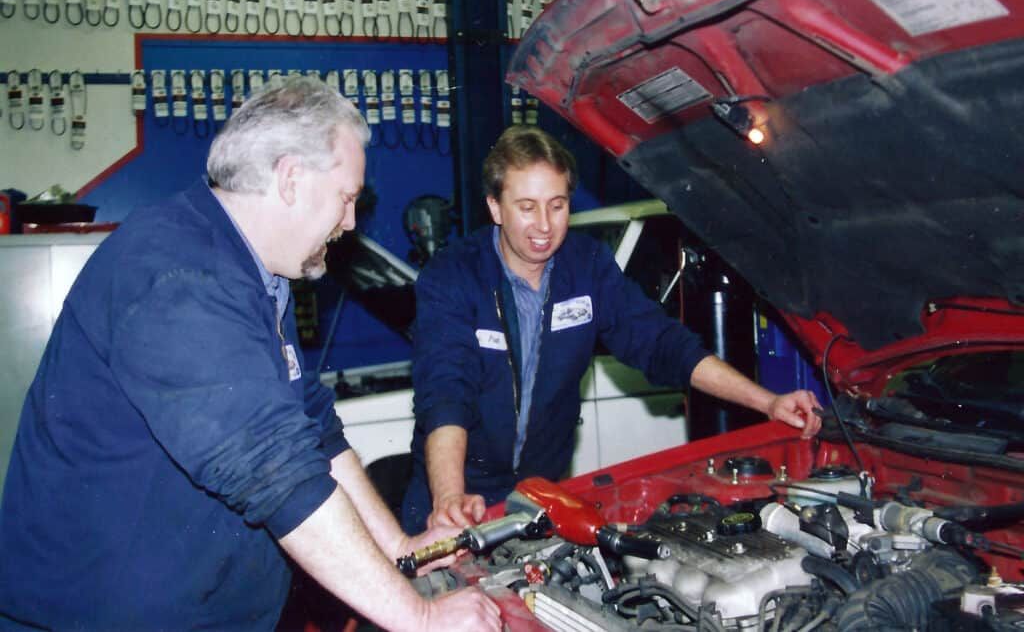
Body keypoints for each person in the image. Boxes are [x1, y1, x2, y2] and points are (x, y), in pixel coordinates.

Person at [0, 77, 501, 632]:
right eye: (346, 198)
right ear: (290, 179)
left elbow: (312, 431)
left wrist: (402, 549)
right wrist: (422, 618)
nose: (350, 222)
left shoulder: (258, 275)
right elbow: (275, 471)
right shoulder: (175, 274)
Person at [401, 125, 822, 534]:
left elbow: (663, 343)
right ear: (495, 207)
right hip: (457, 500)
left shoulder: (586, 267)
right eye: (527, 207)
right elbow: (446, 391)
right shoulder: (454, 276)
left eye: (557, 205)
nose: (544, 225)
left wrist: (768, 402)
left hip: (539, 498)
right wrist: (449, 497)